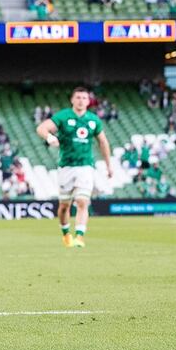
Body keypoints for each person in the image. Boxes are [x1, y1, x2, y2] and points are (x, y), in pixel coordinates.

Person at [36, 87, 113, 249]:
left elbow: (103, 142)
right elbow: (41, 128)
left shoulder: (93, 120)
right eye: (78, 97)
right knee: (64, 206)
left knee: (82, 201)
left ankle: (80, 236)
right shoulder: (63, 116)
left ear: (88, 101)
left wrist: (108, 165)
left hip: (85, 166)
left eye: (84, 98)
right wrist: (50, 137)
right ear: (72, 100)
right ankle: (66, 234)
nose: (81, 100)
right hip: (66, 166)